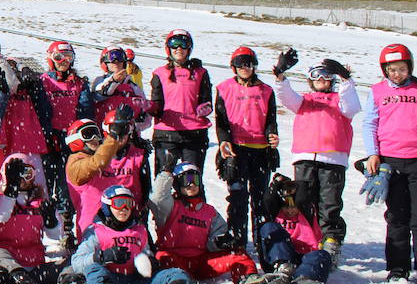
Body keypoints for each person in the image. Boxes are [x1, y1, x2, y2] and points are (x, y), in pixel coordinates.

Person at [71, 184, 224, 284]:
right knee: (93, 269)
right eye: (118, 203)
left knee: (177, 273)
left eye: (128, 204)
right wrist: (102, 256)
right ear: (107, 206)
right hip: (113, 281)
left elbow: (146, 253)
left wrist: (151, 263)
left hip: (137, 282)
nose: (124, 208)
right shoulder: (96, 232)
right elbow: (77, 262)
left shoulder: (139, 230)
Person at [361, 43, 417, 284]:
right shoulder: (377, 91)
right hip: (390, 161)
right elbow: (369, 124)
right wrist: (373, 154)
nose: (397, 74)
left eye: (402, 69)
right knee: (397, 216)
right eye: (392, 69)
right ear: (385, 70)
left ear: (410, 67)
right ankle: (397, 267)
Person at [272, 51, 359, 264]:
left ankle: (330, 242)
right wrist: (280, 76)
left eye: (326, 76)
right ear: (310, 80)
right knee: (303, 201)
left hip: (332, 159)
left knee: (329, 203)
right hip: (305, 157)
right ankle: (307, 239)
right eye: (316, 75)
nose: (321, 80)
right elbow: (286, 97)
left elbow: (352, 107)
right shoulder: (304, 101)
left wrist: (346, 79)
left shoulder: (340, 100)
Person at [215, 46, 279, 261]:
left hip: (260, 151)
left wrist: (272, 137)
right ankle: (238, 242)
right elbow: (221, 121)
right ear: (233, 67)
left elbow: (271, 120)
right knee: (238, 197)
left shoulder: (266, 90)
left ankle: (264, 245)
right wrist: (224, 142)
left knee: (261, 200)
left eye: (249, 64)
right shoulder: (224, 88)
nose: (245, 68)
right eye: (241, 64)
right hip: (236, 150)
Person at [147, 164, 256, 284]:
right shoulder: (169, 207)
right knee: (163, 257)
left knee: (238, 255)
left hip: (202, 262)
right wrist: (166, 173)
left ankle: (247, 280)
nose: (191, 184)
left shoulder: (209, 211)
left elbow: (217, 234)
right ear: (177, 184)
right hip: (175, 260)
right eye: (186, 180)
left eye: (195, 180)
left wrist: (220, 242)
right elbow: (156, 197)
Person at [0, 153, 61, 284]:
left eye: (27, 173)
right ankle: (21, 281)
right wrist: (11, 189)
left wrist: (50, 219)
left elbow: (56, 236)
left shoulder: (39, 201)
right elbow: (1, 216)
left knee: (69, 264)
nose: (22, 179)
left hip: (35, 265)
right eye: (16, 173)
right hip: (8, 264)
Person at [240, 174, 334, 284]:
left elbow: (303, 197)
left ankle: (304, 279)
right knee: (268, 227)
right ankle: (282, 270)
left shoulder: (306, 213)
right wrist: (276, 184)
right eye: (286, 207)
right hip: (279, 257)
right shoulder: (275, 213)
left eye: (293, 207)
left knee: (323, 255)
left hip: (303, 258)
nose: (289, 211)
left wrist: (294, 185)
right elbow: (269, 200)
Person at [65, 104, 149, 232]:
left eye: (96, 133)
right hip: (94, 229)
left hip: (126, 223)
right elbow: (98, 162)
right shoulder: (75, 161)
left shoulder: (107, 153)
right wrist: (115, 135)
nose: (94, 138)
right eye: (88, 134)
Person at [40, 40, 92, 240]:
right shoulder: (44, 81)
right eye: (59, 57)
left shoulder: (79, 83)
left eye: (67, 57)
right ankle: (43, 226)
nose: (63, 61)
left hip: (71, 139)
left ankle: (66, 229)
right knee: (45, 183)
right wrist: (47, 132)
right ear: (51, 59)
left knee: (66, 185)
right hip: (48, 137)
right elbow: (39, 110)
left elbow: (85, 111)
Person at [146, 29, 213, 175]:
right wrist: (150, 107)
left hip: (194, 134)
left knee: (191, 181)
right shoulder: (160, 73)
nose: (179, 48)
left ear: (189, 48)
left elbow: (206, 100)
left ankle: (191, 199)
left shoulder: (200, 72)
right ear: (168, 49)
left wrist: (205, 108)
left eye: (183, 44)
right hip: (166, 133)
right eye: (174, 44)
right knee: (163, 181)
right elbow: (157, 103)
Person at [83, 47, 150, 129]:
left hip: (129, 135)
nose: (116, 61)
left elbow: (147, 116)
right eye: (112, 58)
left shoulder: (133, 86)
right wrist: (114, 80)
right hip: (104, 133)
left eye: (120, 57)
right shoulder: (100, 81)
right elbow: (100, 94)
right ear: (105, 63)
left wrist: (135, 124)